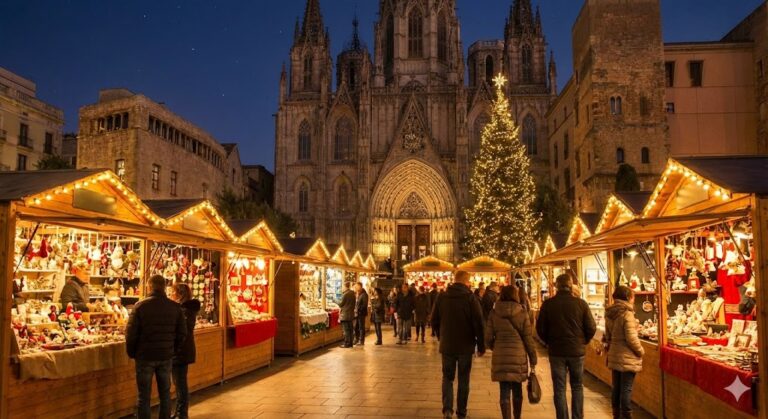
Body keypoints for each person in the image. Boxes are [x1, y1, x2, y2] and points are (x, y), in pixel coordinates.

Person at [536, 273, 597, 419]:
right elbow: (591, 327)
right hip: (577, 352)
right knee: (577, 386)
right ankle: (577, 416)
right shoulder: (581, 304)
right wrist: (583, 341)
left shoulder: (548, 304)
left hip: (556, 351)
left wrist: (548, 341)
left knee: (559, 388)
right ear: (571, 286)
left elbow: (540, 328)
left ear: (556, 286)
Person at [126, 275, 187, 419]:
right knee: (165, 394)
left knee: (144, 396)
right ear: (164, 287)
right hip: (165, 356)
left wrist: (132, 353)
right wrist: (173, 349)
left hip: (144, 356)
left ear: (149, 286)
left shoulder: (140, 306)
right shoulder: (175, 307)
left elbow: (131, 334)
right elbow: (182, 333)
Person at [432, 270, 485, 419]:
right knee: (463, 379)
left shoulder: (442, 296)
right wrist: (481, 345)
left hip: (447, 345)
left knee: (447, 378)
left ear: (454, 280)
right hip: (466, 346)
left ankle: (447, 410)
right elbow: (479, 323)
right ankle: (461, 412)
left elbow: (434, 319)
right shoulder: (470, 298)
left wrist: (440, 335)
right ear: (466, 282)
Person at [486, 285, 538, 419]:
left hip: (501, 356)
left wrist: (495, 347)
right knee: (517, 390)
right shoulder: (522, 313)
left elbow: (488, 338)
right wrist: (533, 357)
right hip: (518, 357)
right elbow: (528, 338)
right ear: (516, 295)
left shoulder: (494, 313)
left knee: (504, 391)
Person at [605, 286, 644, 419]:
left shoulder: (610, 313)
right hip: (627, 356)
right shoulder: (627, 313)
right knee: (626, 388)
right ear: (628, 297)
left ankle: (616, 415)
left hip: (615, 354)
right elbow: (631, 338)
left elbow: (608, 336)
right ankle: (626, 416)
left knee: (616, 387)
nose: (633, 300)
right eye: (633, 296)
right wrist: (640, 351)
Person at [170, 283, 200, 419]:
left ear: (179, 294)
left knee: (180, 383)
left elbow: (181, 332)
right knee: (179, 383)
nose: (171, 294)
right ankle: (179, 411)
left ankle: (181, 413)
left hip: (180, 351)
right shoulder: (186, 309)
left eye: (173, 292)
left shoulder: (184, 310)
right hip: (183, 350)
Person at [339, 282, 356, 348]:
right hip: (350, 314)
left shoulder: (345, 294)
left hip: (345, 315)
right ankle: (350, 343)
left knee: (346, 330)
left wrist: (334, 300)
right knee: (350, 329)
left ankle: (347, 343)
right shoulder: (352, 294)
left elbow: (341, 304)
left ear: (345, 286)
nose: (342, 288)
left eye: (343, 287)